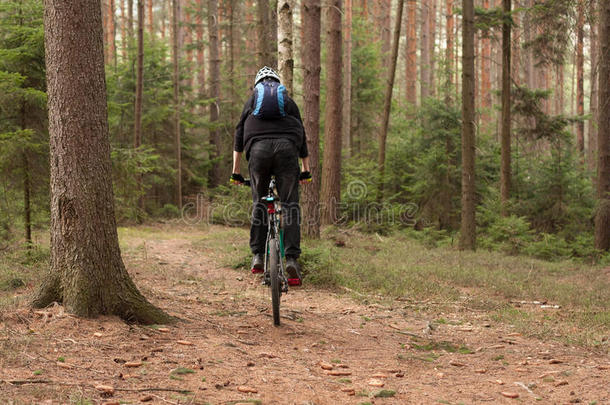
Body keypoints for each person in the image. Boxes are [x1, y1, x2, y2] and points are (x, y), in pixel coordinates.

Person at [230, 66, 311, 286]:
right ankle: (292, 258)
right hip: (287, 151)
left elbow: (239, 137)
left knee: (259, 203)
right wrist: (306, 169)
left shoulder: (252, 99)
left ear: (258, 83)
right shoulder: (288, 100)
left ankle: (258, 256)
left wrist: (236, 172)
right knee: (290, 204)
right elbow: (302, 135)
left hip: (258, 153)